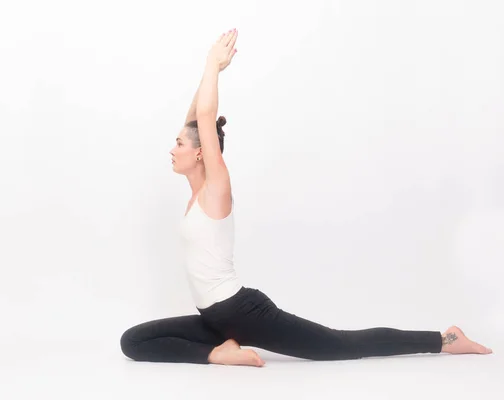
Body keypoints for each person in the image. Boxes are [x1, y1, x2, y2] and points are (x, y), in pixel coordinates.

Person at [120, 29, 493, 366]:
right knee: (133, 341)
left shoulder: (216, 189)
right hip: (215, 319)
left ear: (201, 154)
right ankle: (219, 352)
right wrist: (209, 76)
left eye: (179, 143)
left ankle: (445, 339)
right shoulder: (196, 190)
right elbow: (195, 118)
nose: (173, 148)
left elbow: (204, 115)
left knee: (340, 345)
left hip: (242, 311)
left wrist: (212, 65)